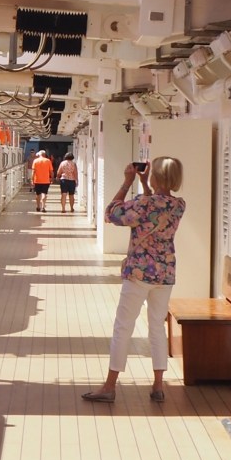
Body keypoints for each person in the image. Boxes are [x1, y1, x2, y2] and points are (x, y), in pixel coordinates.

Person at [82, 157, 185, 404]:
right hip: (164, 274)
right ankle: (158, 385)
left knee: (123, 327)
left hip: (139, 273)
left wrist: (127, 182)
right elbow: (155, 208)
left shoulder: (142, 204)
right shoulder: (179, 205)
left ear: (156, 176)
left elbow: (111, 214)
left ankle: (109, 386)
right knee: (157, 327)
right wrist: (147, 186)